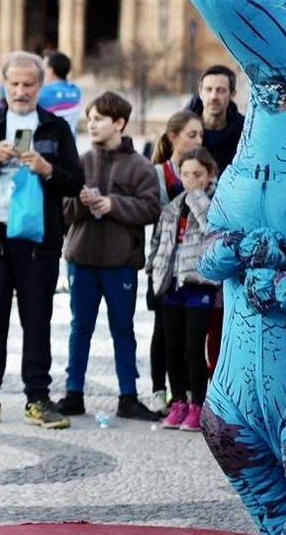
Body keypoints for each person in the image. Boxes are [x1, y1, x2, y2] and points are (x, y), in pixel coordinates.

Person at [0, 51, 84, 430]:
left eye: (28, 84)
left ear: (40, 86)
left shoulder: (55, 128)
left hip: (38, 240)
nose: (20, 91)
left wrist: (48, 170)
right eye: (14, 84)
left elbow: (75, 181)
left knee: (37, 320)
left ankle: (38, 397)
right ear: (4, 85)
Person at [58, 92, 162, 420]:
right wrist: (82, 202)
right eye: (89, 118)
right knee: (80, 327)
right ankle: (73, 392)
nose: (91, 123)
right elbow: (62, 210)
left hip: (120, 263)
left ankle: (127, 396)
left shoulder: (141, 166)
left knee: (123, 327)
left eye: (99, 119)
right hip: (82, 258)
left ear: (119, 123)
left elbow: (151, 208)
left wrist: (113, 204)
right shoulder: (78, 162)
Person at [149, 148, 221, 431]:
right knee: (172, 346)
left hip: (198, 283)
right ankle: (177, 400)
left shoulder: (215, 203)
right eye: (186, 174)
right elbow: (158, 242)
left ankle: (197, 404)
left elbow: (212, 229)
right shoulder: (172, 207)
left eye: (198, 175)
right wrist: (152, 270)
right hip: (171, 283)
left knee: (193, 348)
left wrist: (198, 197)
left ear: (209, 175)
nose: (191, 180)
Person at [145, 110, 202, 405]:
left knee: (188, 338)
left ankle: (186, 395)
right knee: (162, 331)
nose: (197, 140)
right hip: (164, 264)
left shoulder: (203, 175)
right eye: (192, 134)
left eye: (200, 135)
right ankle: (159, 390)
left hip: (191, 267)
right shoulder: (158, 173)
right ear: (174, 138)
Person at [185, 64, 245, 173]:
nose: (214, 97)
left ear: (232, 94)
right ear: (200, 92)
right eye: (208, 89)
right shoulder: (183, 129)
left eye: (221, 90)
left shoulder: (244, 132)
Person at [37, 51, 82, 133]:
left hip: (51, 143)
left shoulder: (42, 93)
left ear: (50, 70)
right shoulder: (76, 90)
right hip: (71, 143)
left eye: (43, 68)